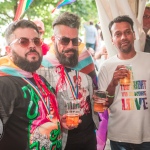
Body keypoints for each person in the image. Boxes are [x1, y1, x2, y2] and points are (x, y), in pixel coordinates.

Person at [37, 12, 99, 150]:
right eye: (65, 40)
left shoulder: (84, 58)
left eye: (75, 40)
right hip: (62, 138)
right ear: (53, 39)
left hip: (89, 135)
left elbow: (95, 89)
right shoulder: (42, 68)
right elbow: (40, 113)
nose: (71, 46)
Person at [0, 20, 62, 150]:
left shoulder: (40, 80)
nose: (32, 45)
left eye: (36, 41)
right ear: (9, 50)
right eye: (23, 41)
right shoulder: (4, 83)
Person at [98, 15, 150, 150]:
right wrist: (113, 83)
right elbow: (103, 105)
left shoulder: (148, 60)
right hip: (119, 136)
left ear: (133, 34)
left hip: (148, 135)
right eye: (118, 34)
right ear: (112, 40)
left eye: (127, 32)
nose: (123, 37)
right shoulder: (106, 67)